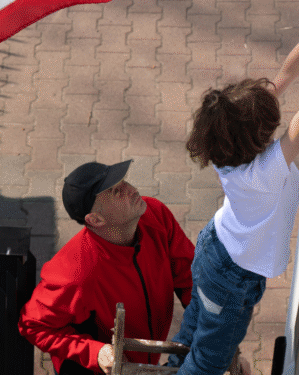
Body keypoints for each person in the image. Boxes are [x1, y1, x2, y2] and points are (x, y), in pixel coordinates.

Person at [169, 0, 299, 374]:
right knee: (208, 362)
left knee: (195, 328)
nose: (277, 112)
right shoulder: (262, 173)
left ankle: (170, 367)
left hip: (218, 254)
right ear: (254, 135)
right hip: (229, 274)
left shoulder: (226, 147)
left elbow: (284, 75)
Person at [19, 160, 194, 374]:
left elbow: (192, 280)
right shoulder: (73, 271)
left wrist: (220, 342)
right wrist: (95, 352)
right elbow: (33, 325)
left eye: (124, 182)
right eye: (116, 192)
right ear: (96, 219)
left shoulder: (156, 215)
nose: (131, 190)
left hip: (143, 360)